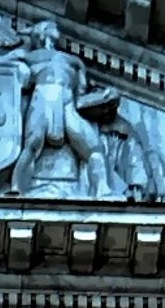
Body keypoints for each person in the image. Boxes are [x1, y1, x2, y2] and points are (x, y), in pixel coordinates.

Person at [15, 16, 112, 195]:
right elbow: (3, 67)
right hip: (42, 99)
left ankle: (102, 189)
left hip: (67, 103)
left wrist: (104, 97)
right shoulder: (28, 56)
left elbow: (81, 98)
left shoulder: (75, 62)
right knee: (31, 145)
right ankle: (17, 188)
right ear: (42, 33)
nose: (56, 28)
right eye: (50, 26)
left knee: (93, 147)